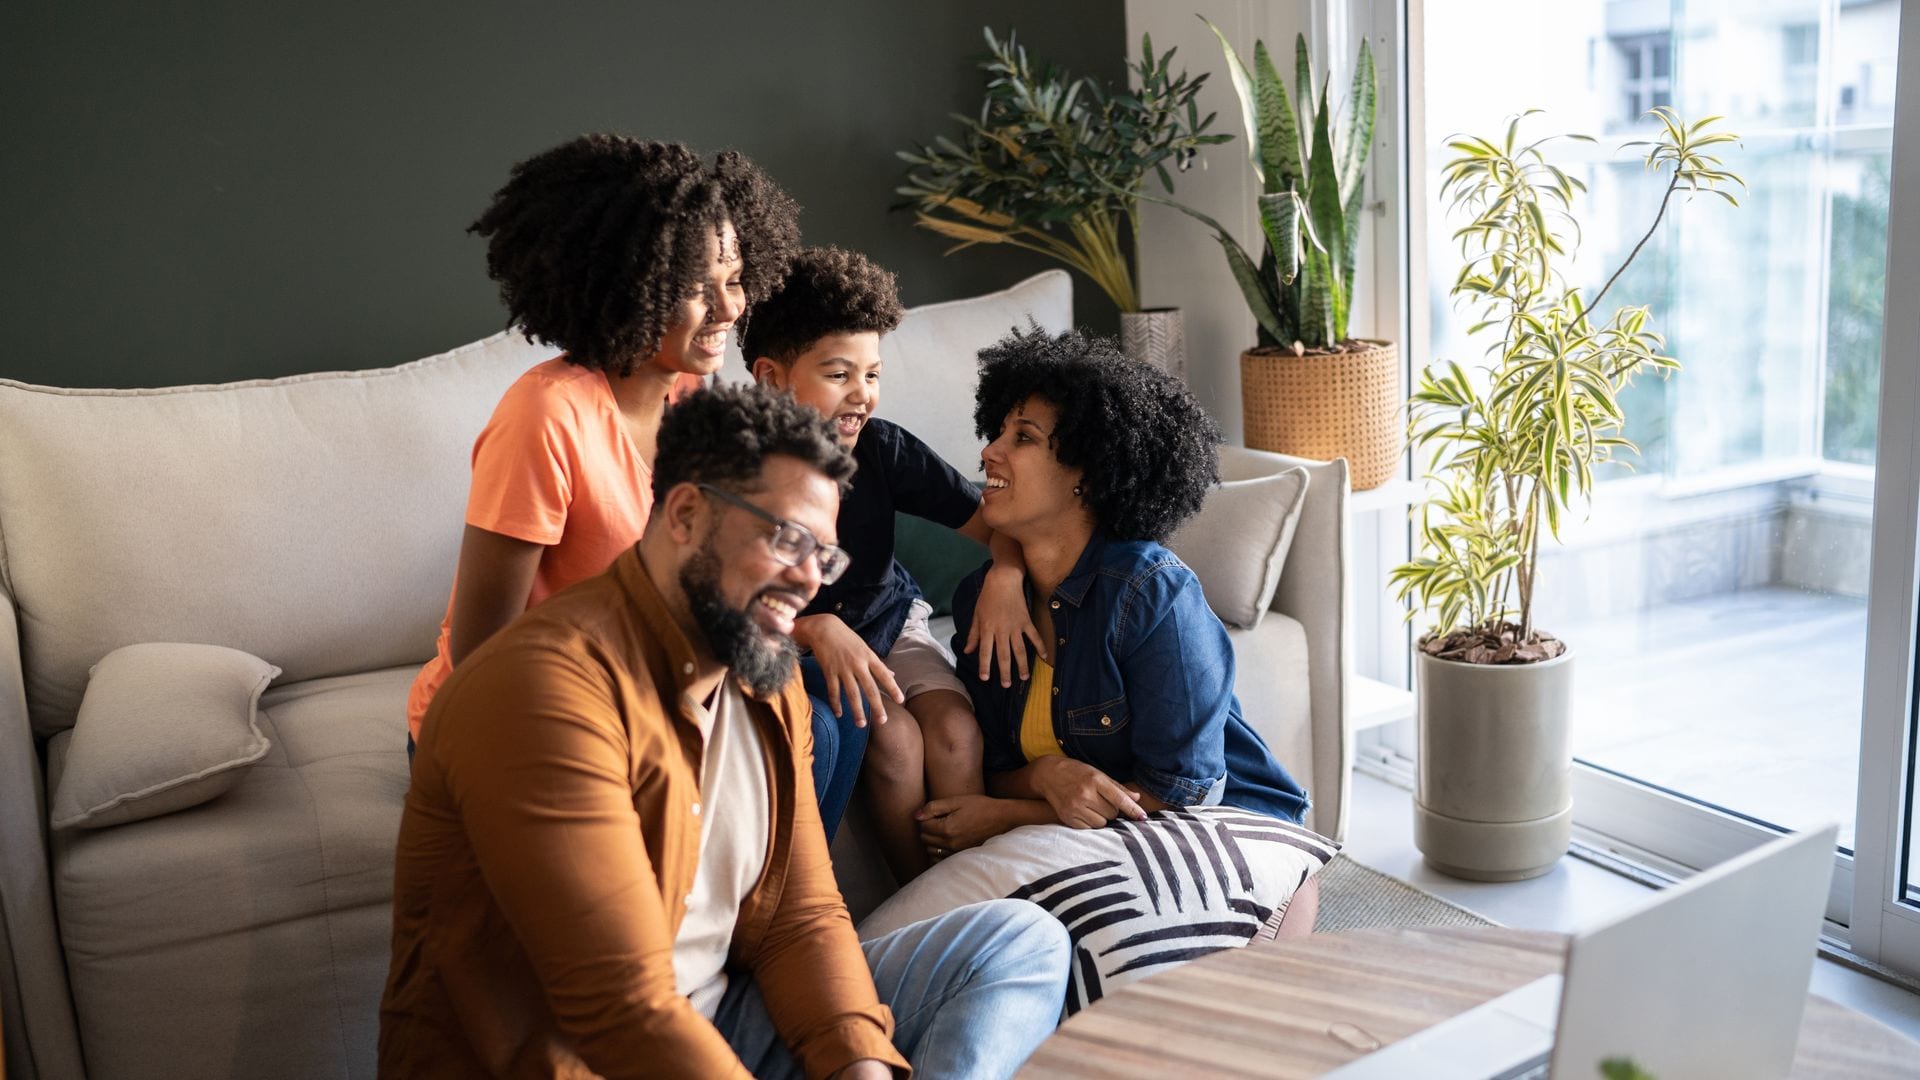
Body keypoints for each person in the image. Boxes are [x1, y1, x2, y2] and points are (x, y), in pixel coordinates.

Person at [381, 384, 1071, 1079]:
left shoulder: (766, 680)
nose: (809, 583)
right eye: (786, 540)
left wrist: (858, 1063)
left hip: (719, 1022)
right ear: (685, 513)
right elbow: (620, 1008)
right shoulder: (539, 692)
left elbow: (800, 917)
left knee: (1021, 941)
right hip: (570, 1058)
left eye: (824, 557)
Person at [403, 135, 801, 752]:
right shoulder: (545, 417)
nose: (728, 308)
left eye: (736, 278)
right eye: (697, 287)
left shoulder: (692, 394)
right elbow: (482, 652)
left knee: (818, 723)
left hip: (644, 683)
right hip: (513, 715)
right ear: (628, 285)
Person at [914, 327, 1320, 933]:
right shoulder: (984, 600)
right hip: (1102, 845)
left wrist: (1010, 814)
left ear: (1089, 472)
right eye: (997, 431)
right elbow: (994, 762)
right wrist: (1046, 776)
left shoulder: (1149, 592)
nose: (988, 453)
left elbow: (1184, 794)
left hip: (1234, 836)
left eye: (1022, 437)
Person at [744, 246, 1032, 875]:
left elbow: (996, 521)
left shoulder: (883, 447)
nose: (862, 395)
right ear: (771, 377)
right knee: (897, 742)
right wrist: (812, 629)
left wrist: (1007, 574)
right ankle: (919, 895)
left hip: (890, 618)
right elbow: (728, 605)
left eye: (872, 375)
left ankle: (979, 889)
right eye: (839, 374)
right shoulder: (736, 471)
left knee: (956, 734)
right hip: (797, 643)